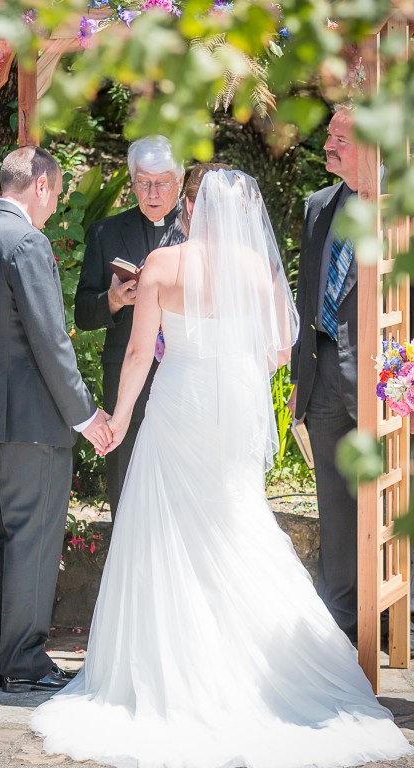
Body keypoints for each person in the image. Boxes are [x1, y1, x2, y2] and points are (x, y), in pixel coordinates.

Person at [30, 168, 413, 766]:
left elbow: (138, 351)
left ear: (192, 206)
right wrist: (237, 373)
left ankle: (176, 665)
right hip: (233, 402)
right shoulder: (257, 271)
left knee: (170, 525)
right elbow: (281, 347)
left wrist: (121, 417)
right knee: (237, 519)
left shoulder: (162, 265)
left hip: (180, 399)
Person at [0, 145, 112, 694]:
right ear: (41, 184)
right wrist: (86, 414)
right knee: (33, 539)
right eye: (57, 191)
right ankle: (23, 663)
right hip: (33, 422)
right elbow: (49, 338)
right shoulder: (26, 240)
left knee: (1, 535)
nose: (55, 204)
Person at [74, 135, 185, 519]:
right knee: (125, 475)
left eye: (162, 182)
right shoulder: (106, 233)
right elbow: (83, 315)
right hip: (123, 371)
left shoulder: (198, 233)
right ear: (132, 181)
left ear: (180, 181)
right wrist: (115, 300)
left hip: (183, 373)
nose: (152, 192)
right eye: (143, 182)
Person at [288, 104, 363, 643]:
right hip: (322, 380)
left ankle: (397, 623)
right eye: (330, 134)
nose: (329, 144)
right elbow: (306, 294)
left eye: (341, 137)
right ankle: (342, 628)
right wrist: (299, 381)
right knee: (335, 510)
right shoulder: (318, 206)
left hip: (386, 384)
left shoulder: (399, 207)